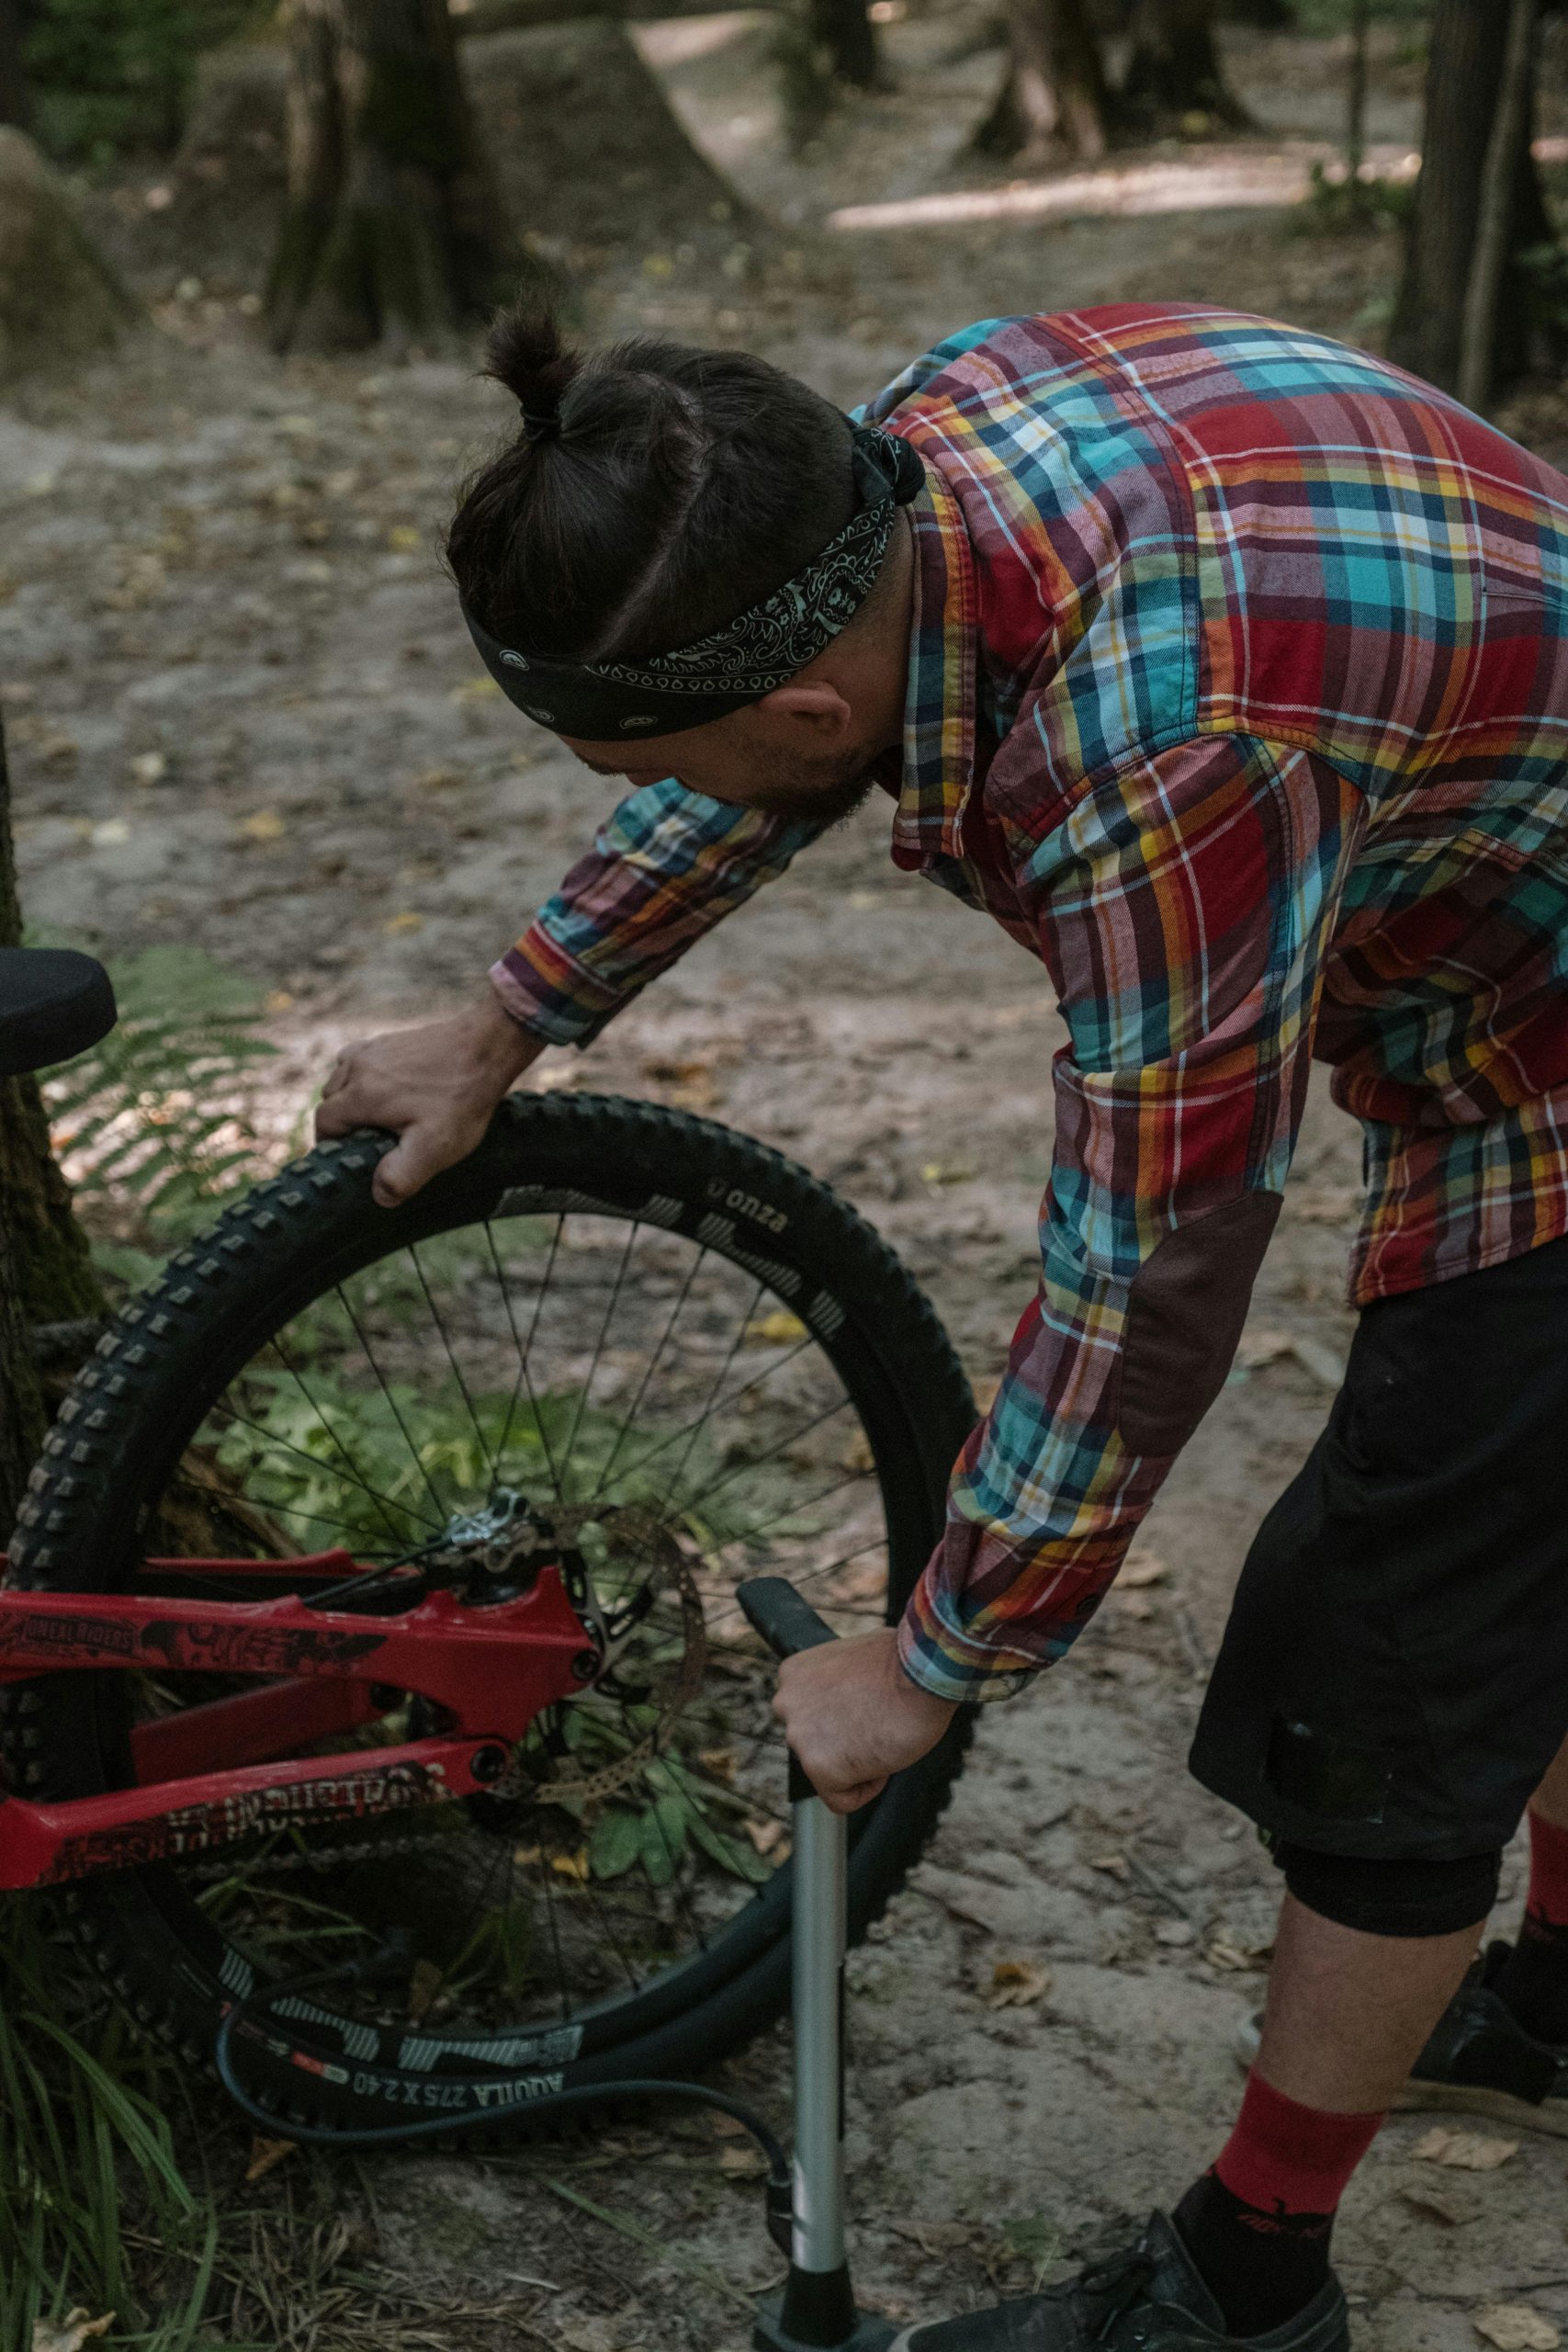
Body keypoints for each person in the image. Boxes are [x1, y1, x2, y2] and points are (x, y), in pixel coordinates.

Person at [317, 302, 1568, 2352]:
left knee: (1387, 1659)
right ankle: (1549, 2015)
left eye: (642, 755)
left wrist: (936, 1650)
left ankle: (1245, 2287)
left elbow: (1153, 1260)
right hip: (1473, 917)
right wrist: (510, 1012)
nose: (650, 787)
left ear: (806, 710)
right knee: (1527, 1540)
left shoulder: (1167, 750)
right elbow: (753, 757)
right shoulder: (859, 469)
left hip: (1532, 1045)